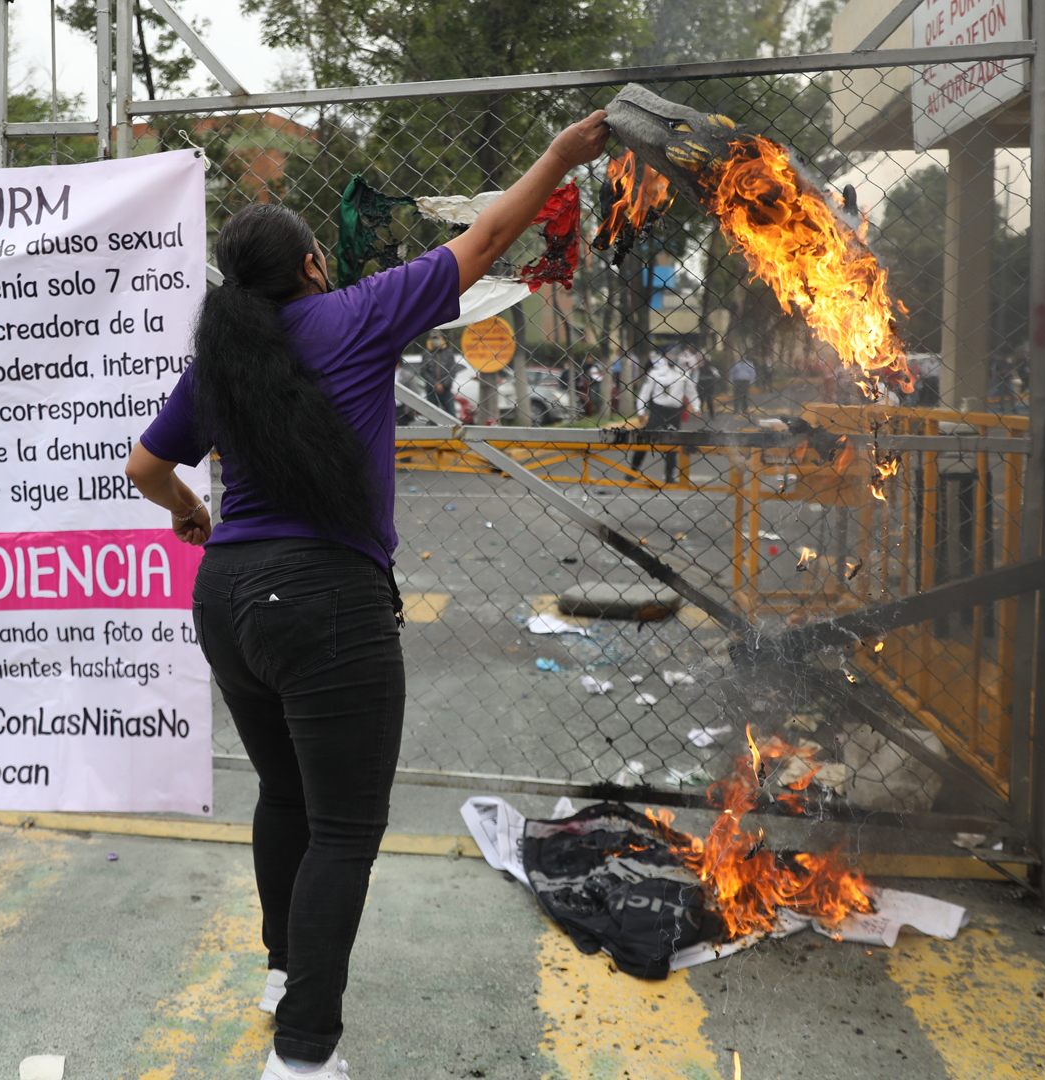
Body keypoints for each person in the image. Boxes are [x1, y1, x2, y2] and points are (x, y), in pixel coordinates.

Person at [126, 112, 610, 1080]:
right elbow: (487, 238)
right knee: (344, 828)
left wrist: (191, 512)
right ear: (311, 266)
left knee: (286, 795)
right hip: (325, 602)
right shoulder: (360, 312)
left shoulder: (222, 362)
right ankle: (303, 1054)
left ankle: (284, 978)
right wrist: (560, 155)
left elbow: (145, 466)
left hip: (226, 600)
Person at [630, 353, 697, 482]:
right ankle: (633, 470)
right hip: (658, 410)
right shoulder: (656, 370)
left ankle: (669, 475)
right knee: (646, 438)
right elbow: (644, 393)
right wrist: (641, 411)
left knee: (672, 442)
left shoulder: (682, 373)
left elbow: (690, 391)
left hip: (674, 412)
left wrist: (696, 406)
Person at [418, 330, 458, 417]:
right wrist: (435, 384)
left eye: (437, 338)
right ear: (430, 340)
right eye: (433, 338)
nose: (435, 340)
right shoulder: (426, 354)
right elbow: (423, 372)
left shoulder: (448, 353)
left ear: (442, 338)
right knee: (432, 415)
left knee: (451, 414)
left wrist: (443, 384)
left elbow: (453, 371)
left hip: (446, 389)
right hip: (431, 390)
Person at [695, 352, 721, 416]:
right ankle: (700, 413)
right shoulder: (699, 368)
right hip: (701, 385)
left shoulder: (711, 368)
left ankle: (711, 414)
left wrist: (712, 370)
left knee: (709, 400)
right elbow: (696, 377)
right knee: (701, 399)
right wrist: (695, 384)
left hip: (709, 385)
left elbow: (718, 375)